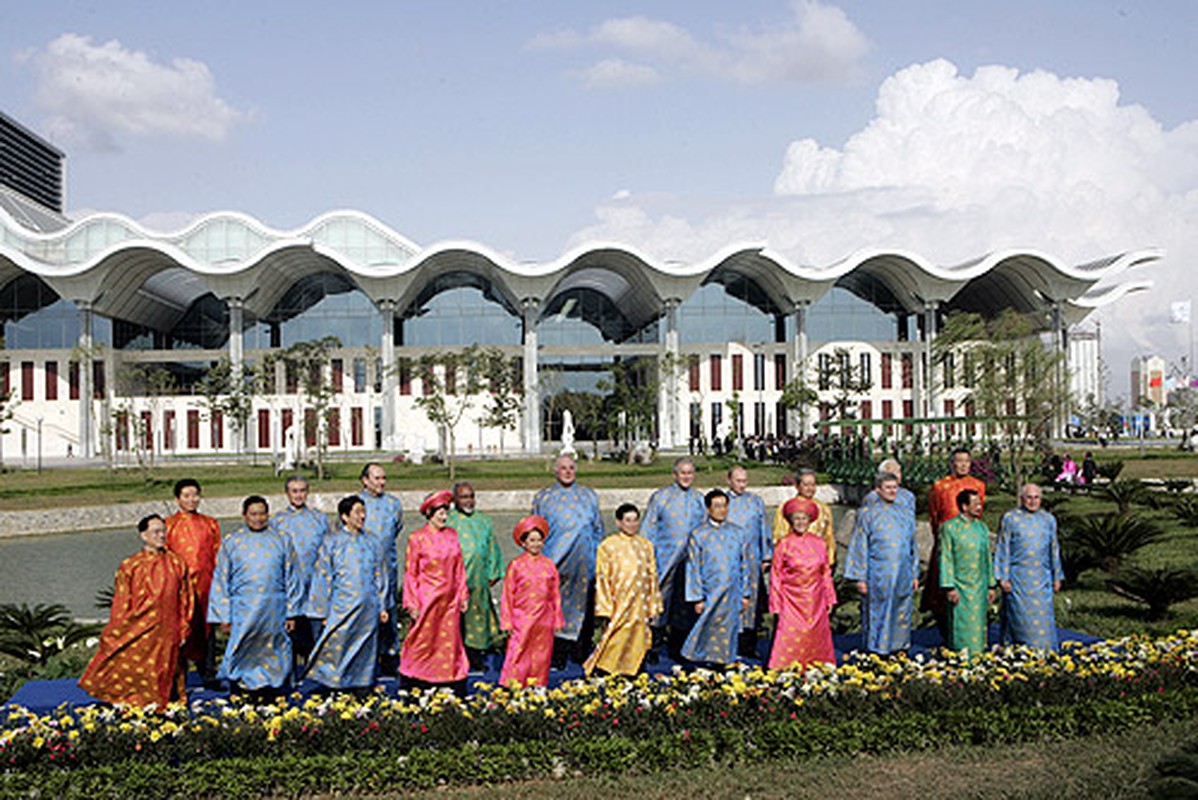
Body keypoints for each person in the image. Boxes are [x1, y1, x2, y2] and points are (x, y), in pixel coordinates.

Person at [79, 514, 193, 708]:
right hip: (140, 628)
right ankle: (139, 706)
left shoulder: (177, 563)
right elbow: (121, 603)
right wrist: (118, 629)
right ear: (143, 535)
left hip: (168, 628)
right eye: (156, 531)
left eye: (163, 531)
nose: (161, 535)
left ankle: (164, 709)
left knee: (166, 671)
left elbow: (186, 598)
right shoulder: (130, 565)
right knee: (138, 668)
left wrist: (184, 627)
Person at [207, 496, 301, 700]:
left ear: (268, 515)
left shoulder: (282, 539)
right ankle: (242, 688)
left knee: (274, 648)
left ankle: (273, 689)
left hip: (274, 607)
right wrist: (224, 616)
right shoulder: (232, 541)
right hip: (243, 608)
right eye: (253, 514)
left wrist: (292, 612)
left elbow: (292, 577)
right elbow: (221, 580)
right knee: (243, 646)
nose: (258, 518)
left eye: (262, 514)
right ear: (244, 516)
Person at [304, 495, 389, 695]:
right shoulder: (332, 543)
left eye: (363, 511)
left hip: (368, 607)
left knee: (366, 648)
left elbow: (380, 575)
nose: (363, 516)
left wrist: (383, 605)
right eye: (357, 512)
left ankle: (362, 684)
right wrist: (322, 611)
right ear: (344, 516)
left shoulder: (372, 541)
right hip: (341, 607)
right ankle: (335, 686)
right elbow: (323, 577)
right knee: (338, 646)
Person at [531, 454, 604, 667]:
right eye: (563, 468)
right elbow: (535, 532)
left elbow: (598, 529)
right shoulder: (543, 498)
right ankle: (557, 655)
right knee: (555, 608)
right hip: (556, 563)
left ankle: (581, 651)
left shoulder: (589, 496)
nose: (568, 471)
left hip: (585, 564)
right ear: (555, 471)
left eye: (571, 467)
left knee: (584, 608)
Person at [398, 490, 469, 696]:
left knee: (449, 640)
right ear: (429, 513)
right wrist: (412, 602)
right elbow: (411, 573)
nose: (444, 517)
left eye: (446, 512)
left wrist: (463, 593)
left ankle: (449, 677)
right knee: (422, 639)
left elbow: (459, 567)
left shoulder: (452, 535)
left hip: (450, 599)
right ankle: (415, 676)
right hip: (427, 598)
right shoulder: (417, 538)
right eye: (439, 512)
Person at [844, 472, 920, 655]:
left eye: (895, 487)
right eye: (888, 488)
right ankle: (876, 649)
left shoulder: (906, 513)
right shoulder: (867, 514)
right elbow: (859, 547)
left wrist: (915, 573)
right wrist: (860, 578)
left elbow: (913, 547)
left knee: (902, 610)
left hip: (903, 572)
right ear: (878, 490)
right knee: (878, 612)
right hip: (878, 573)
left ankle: (899, 647)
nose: (892, 491)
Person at [584, 503, 663, 677]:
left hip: (640, 603)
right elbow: (602, 577)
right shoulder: (608, 545)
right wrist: (605, 607)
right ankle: (607, 670)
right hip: (619, 601)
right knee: (615, 637)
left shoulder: (646, 545)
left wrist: (654, 604)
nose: (632, 525)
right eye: (628, 520)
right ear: (619, 522)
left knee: (638, 637)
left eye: (635, 520)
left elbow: (652, 575)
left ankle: (636, 670)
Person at [641, 456, 706, 660]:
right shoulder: (661, 497)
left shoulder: (699, 499)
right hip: (664, 559)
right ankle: (653, 647)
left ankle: (681, 648)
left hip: (690, 562)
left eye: (690, 473)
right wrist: (646, 557)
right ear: (675, 474)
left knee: (685, 605)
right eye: (682, 473)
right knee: (659, 603)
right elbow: (648, 529)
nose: (686, 477)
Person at [681, 488, 750, 666]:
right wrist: (696, 598)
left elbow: (745, 565)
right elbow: (693, 568)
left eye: (724, 506)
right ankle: (704, 663)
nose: (721, 510)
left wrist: (745, 594)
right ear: (708, 509)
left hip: (732, 592)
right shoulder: (699, 534)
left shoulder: (738, 532)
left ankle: (726, 662)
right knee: (707, 628)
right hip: (710, 591)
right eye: (717, 506)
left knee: (729, 629)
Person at [271, 475, 332, 670]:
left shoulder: (319, 519)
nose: (299, 495)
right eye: (294, 491)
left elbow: (330, 551)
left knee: (316, 637)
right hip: (290, 589)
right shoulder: (277, 522)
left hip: (315, 587)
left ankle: (316, 674)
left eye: (302, 491)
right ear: (287, 494)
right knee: (290, 637)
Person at [768, 497, 836, 671]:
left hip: (816, 599)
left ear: (809, 521)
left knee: (817, 637)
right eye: (796, 519)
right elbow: (775, 576)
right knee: (790, 636)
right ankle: (785, 670)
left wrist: (830, 598)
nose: (800, 522)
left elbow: (826, 573)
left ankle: (818, 668)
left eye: (803, 518)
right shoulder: (783, 544)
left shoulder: (820, 543)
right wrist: (776, 604)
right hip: (791, 600)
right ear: (791, 521)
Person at [165, 477, 221, 686]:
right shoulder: (168, 525)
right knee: (179, 630)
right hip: (180, 588)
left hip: (206, 585)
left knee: (207, 631)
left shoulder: (210, 524)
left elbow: (217, 555)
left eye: (195, 495)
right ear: (177, 499)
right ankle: (176, 676)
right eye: (186, 496)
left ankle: (208, 673)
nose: (191, 500)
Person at [994, 483, 1064, 651]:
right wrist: (1002, 577)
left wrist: (1057, 577)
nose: (1033, 501)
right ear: (1021, 499)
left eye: (1036, 498)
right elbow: (1003, 548)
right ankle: (1019, 654)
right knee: (1019, 622)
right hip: (1018, 580)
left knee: (1043, 624)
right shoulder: (1010, 518)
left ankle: (1046, 655)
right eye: (1029, 498)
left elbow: (1054, 549)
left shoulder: (1048, 519)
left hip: (1042, 580)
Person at [924, 449, 987, 634]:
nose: (963, 465)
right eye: (959, 461)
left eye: (966, 461)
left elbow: (979, 514)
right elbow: (934, 516)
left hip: (971, 546)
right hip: (947, 543)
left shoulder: (978, 485)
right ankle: (945, 631)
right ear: (952, 463)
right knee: (943, 589)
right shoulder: (940, 486)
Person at [499, 515, 565, 688]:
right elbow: (507, 594)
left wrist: (557, 618)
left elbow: (555, 594)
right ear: (523, 543)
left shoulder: (549, 565)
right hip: (522, 618)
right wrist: (507, 621)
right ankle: (513, 686)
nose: (536, 544)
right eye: (532, 540)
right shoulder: (516, 565)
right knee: (518, 652)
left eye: (539, 540)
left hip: (544, 619)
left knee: (541, 655)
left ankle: (538, 686)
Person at [447, 481, 504, 673]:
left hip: (478, 582)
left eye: (471, 496)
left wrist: (492, 574)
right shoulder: (448, 521)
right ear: (454, 499)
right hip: (453, 584)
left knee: (478, 621)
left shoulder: (484, 521)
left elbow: (492, 549)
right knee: (454, 624)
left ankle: (476, 659)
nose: (468, 501)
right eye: (463, 497)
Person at [938, 488, 996, 656]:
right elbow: (945, 558)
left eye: (980, 503)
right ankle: (960, 660)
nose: (979, 507)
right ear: (964, 506)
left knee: (979, 626)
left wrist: (991, 585)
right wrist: (949, 587)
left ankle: (978, 660)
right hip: (959, 586)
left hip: (979, 586)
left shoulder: (982, 528)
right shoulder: (949, 528)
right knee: (961, 626)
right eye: (975, 504)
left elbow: (987, 558)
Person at [358, 462, 403, 673]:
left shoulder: (393, 504)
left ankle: (389, 655)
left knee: (389, 610)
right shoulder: (356, 505)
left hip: (388, 568)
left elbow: (396, 530)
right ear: (365, 481)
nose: (381, 482)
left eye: (384, 478)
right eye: (376, 478)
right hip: (363, 571)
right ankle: (366, 657)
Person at [724, 465, 771, 657]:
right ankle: (727, 647)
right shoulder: (721, 502)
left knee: (751, 605)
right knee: (729, 603)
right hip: (728, 562)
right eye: (738, 481)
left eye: (745, 481)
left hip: (752, 561)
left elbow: (763, 529)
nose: (742, 485)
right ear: (729, 480)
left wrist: (766, 556)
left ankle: (749, 647)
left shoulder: (755, 502)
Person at [772, 469, 835, 565]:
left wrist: (830, 561)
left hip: (817, 562)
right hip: (794, 563)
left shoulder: (824, 509)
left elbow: (829, 537)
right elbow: (780, 536)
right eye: (806, 485)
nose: (810, 488)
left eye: (813, 485)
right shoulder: (787, 508)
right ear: (797, 486)